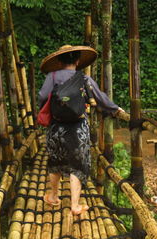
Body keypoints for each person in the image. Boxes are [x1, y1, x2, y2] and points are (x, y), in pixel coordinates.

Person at [38, 45, 123, 215]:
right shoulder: (84, 79)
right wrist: (115, 109)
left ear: (59, 62)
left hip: (56, 126)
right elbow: (100, 98)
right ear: (77, 61)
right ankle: (75, 205)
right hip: (78, 128)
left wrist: (48, 109)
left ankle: (54, 196)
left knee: (55, 160)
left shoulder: (52, 76)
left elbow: (41, 96)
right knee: (77, 164)